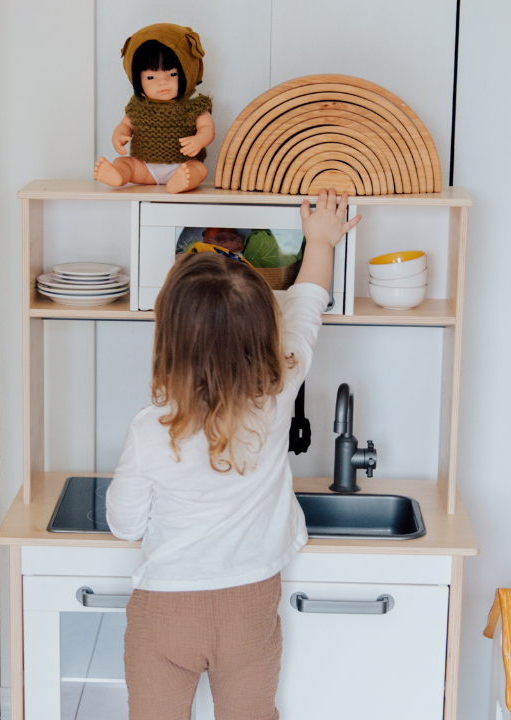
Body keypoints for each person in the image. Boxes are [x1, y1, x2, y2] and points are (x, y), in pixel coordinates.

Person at [106, 189, 361, 720]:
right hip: (250, 605)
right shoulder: (278, 393)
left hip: (166, 609)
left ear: (167, 340)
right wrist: (320, 240)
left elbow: (125, 526)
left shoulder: (152, 429)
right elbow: (307, 308)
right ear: (264, 333)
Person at [94, 24, 214, 194]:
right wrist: (119, 135)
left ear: (188, 71)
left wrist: (199, 140)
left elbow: (207, 128)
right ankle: (119, 174)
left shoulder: (194, 106)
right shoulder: (138, 107)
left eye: (172, 74)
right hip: (145, 168)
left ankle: (181, 182)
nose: (162, 82)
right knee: (124, 162)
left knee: (199, 169)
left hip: (182, 165)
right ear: (137, 79)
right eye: (151, 77)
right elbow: (126, 125)